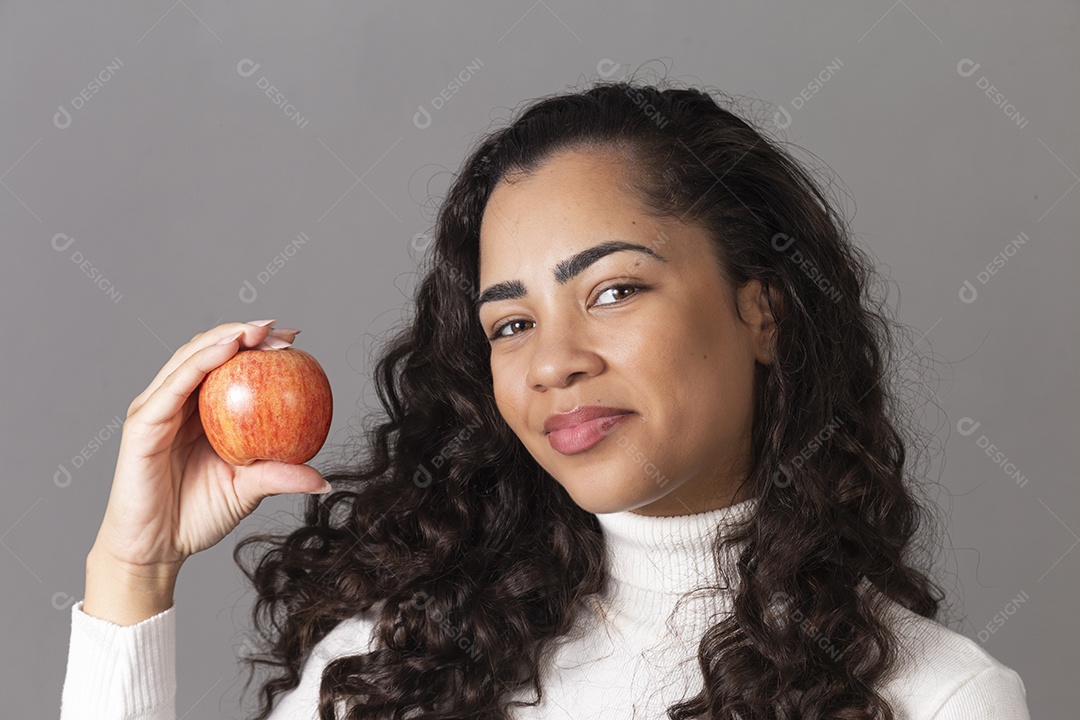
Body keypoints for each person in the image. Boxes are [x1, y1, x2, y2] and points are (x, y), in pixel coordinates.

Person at [61, 79, 1031, 719]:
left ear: (762, 309)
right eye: (510, 324)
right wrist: (132, 568)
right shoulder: (398, 668)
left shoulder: (937, 700)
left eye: (613, 291)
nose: (552, 363)